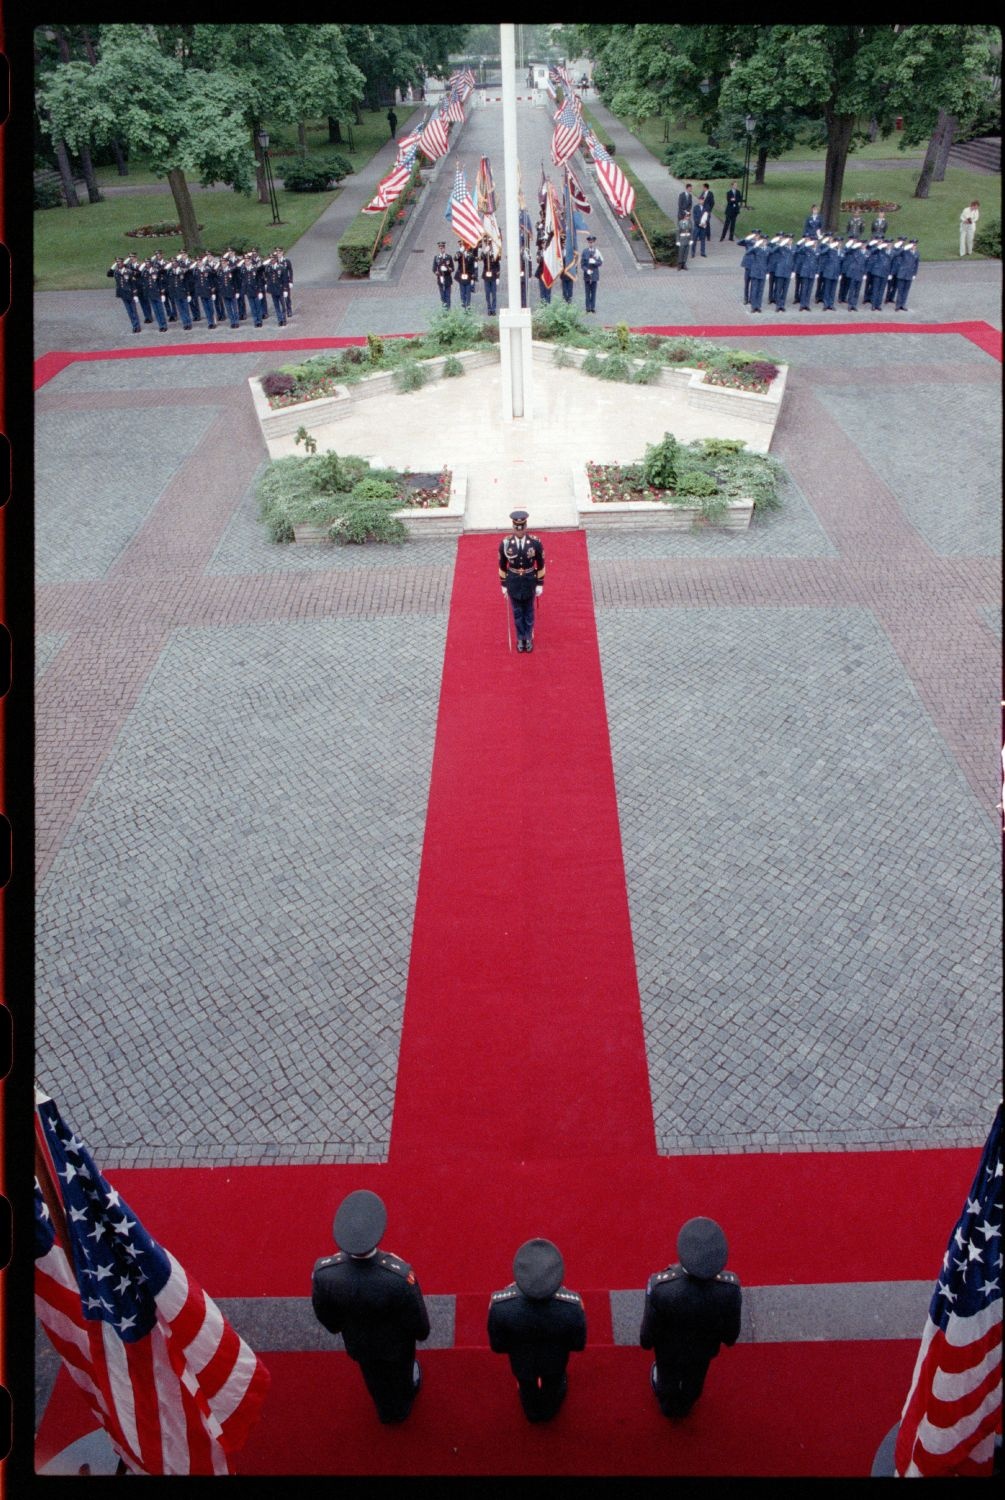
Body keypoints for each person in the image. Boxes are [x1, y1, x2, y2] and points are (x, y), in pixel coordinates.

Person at [311, 1190, 430, 1425]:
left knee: (372, 1375)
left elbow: (326, 1316)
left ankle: (384, 1406)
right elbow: (419, 1324)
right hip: (395, 1345)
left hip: (358, 1342)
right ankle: (399, 1410)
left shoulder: (325, 1272)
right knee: (400, 1375)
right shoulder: (398, 1275)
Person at [640, 1216, 741, 1419]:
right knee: (696, 1375)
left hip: (669, 1348)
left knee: (667, 1374)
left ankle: (667, 1403)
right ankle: (688, 1399)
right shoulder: (729, 1289)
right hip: (704, 1348)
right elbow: (731, 1334)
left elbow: (650, 1327)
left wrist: (647, 1341)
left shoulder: (663, 1287)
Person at [488, 1238, 586, 1422]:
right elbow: (578, 1344)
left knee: (527, 1388)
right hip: (555, 1362)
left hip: (522, 1362)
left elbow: (498, 1346)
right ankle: (550, 1408)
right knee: (554, 1385)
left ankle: (532, 1411)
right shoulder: (571, 1306)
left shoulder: (501, 1306)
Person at [499, 509, 545, 653]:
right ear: (513, 528)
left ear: (525, 528)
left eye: (522, 528)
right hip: (513, 582)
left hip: (529, 581)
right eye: (517, 529)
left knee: (529, 612)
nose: (520, 531)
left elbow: (541, 564)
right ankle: (520, 638)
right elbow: (502, 565)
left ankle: (528, 637)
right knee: (517, 612)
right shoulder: (506, 544)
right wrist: (503, 584)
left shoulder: (535, 543)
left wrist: (540, 583)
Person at [107, 257, 142, 334]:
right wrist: (113, 266)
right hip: (123, 294)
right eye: (117, 263)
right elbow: (109, 274)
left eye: (120, 263)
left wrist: (135, 294)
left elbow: (133, 284)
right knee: (129, 311)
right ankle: (134, 326)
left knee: (134, 311)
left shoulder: (129, 272)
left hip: (130, 293)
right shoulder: (116, 272)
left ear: (123, 263)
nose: (118, 264)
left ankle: (137, 326)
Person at [741, 232, 769, 312]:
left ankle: (758, 306)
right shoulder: (755, 248)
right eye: (763, 241)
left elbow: (769, 261)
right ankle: (753, 306)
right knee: (754, 288)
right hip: (755, 271)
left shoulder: (768, 249)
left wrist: (767, 272)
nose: (764, 242)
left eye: (765, 241)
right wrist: (755, 245)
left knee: (760, 290)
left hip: (763, 272)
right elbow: (748, 252)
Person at [840, 237, 866, 311]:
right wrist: (851, 244)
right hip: (854, 273)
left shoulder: (867, 252)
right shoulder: (854, 251)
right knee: (852, 289)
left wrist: (865, 273)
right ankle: (850, 304)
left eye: (864, 244)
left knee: (857, 290)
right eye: (861, 244)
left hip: (860, 273)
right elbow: (846, 250)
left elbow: (866, 264)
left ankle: (854, 304)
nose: (863, 245)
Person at [893, 237, 919, 310]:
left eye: (915, 245)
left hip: (909, 274)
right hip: (902, 273)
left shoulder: (917, 253)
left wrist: (914, 274)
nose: (914, 246)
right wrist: (903, 248)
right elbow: (896, 253)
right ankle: (898, 305)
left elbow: (916, 264)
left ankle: (903, 304)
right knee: (900, 290)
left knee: (906, 290)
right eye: (912, 245)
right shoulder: (905, 251)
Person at [580, 234, 602, 313]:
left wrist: (595, 262)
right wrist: (586, 270)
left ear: (594, 243)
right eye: (590, 242)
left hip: (594, 276)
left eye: (592, 242)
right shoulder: (585, 251)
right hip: (587, 276)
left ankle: (592, 307)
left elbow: (600, 263)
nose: (591, 244)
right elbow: (582, 265)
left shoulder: (597, 252)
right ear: (588, 243)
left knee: (593, 293)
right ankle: (587, 308)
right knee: (587, 292)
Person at [455, 239, 478, 310]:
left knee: (468, 293)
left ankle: (468, 306)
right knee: (462, 293)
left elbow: (473, 267)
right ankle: (463, 305)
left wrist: (473, 278)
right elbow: (455, 259)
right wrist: (460, 252)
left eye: (465, 245)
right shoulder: (459, 254)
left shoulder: (470, 255)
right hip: (461, 276)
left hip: (468, 276)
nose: (465, 247)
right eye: (463, 245)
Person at [480, 238, 500, 315]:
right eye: (486, 243)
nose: (488, 244)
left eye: (489, 243)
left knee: (494, 294)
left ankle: (494, 309)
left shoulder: (495, 253)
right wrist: (485, 252)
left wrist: (498, 277)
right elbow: (481, 258)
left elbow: (497, 265)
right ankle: (489, 308)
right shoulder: (484, 252)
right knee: (487, 293)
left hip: (494, 275)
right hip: (486, 275)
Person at [433, 241, 454, 308]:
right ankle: (444, 310)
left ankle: (448, 310)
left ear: (444, 248)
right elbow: (434, 268)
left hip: (447, 278)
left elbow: (452, 268)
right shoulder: (436, 258)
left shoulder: (448, 257)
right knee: (442, 296)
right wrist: (437, 273)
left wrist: (448, 269)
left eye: (442, 248)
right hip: (440, 279)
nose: (441, 249)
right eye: (440, 248)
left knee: (448, 296)